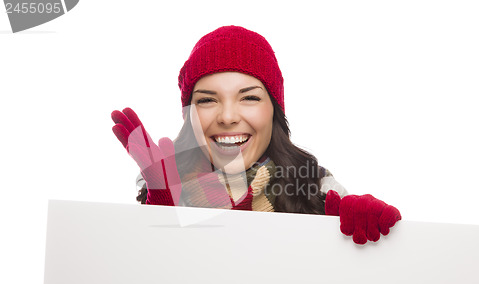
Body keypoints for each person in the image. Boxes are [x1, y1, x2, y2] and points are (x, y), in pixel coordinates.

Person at [111, 25, 401, 244]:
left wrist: (361, 232)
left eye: (248, 98)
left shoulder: (315, 187)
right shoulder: (166, 187)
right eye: (207, 100)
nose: (227, 117)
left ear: (273, 110)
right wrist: (162, 207)